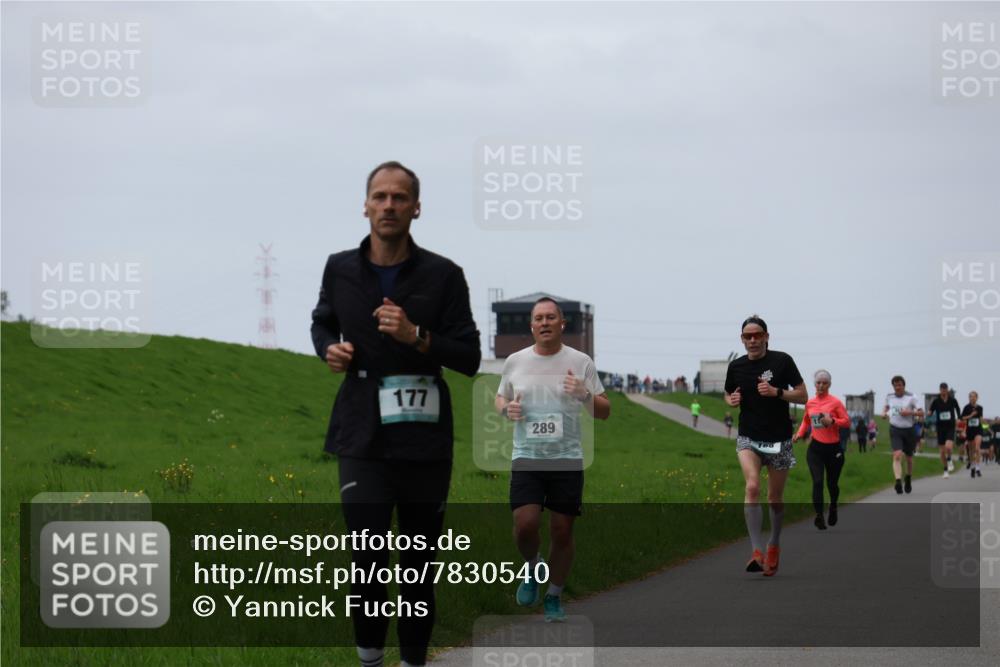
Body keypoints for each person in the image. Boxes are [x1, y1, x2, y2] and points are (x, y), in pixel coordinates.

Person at [310, 161, 481, 667]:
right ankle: (369, 659)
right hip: (361, 430)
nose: (389, 206)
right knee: (366, 559)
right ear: (365, 206)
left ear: (416, 208)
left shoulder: (444, 275)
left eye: (399, 198)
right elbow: (322, 321)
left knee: (416, 565)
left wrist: (416, 336)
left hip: (424, 436)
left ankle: (412, 661)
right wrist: (328, 349)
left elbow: (468, 357)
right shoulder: (339, 268)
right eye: (380, 197)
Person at [496, 297, 611, 623]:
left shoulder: (580, 361)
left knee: (562, 531)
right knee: (525, 525)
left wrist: (584, 395)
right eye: (538, 318)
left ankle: (554, 596)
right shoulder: (515, 362)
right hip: (527, 457)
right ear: (532, 326)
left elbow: (604, 411)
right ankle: (533, 567)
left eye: (551, 317)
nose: (544, 323)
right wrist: (507, 409)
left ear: (562, 324)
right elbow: (500, 397)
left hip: (566, 459)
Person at [724, 315, 807, 577]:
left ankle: (774, 544)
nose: (752, 340)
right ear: (742, 339)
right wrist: (731, 399)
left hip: (779, 439)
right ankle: (756, 551)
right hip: (749, 436)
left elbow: (804, 396)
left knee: (775, 498)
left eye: (757, 335)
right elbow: (728, 393)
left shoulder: (782, 361)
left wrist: (778, 393)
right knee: (751, 486)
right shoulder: (736, 366)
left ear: (766, 337)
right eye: (747, 336)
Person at [793, 370, 850, 530]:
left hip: (834, 449)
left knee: (832, 484)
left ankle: (833, 506)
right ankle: (819, 515)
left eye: (824, 383)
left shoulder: (836, 403)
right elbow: (806, 421)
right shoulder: (810, 403)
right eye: (818, 382)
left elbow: (846, 422)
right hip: (816, 449)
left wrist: (832, 421)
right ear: (814, 384)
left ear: (829, 384)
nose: (821, 385)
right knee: (817, 482)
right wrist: (799, 434)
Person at [882, 375, 924, 494]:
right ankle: (898, 481)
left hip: (909, 430)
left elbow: (921, 413)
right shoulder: (889, 396)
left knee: (909, 458)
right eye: (895, 385)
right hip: (895, 429)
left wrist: (909, 412)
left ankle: (908, 478)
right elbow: (886, 407)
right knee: (897, 455)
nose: (897, 387)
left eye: (900, 385)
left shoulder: (911, 397)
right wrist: (884, 413)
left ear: (904, 385)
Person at [928, 382, 961, 478]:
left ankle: (950, 459)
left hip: (950, 426)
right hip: (940, 427)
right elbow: (931, 411)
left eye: (945, 389)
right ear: (940, 390)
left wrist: (959, 418)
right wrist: (929, 413)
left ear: (947, 390)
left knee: (948, 447)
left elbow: (958, 409)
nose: (943, 391)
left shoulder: (952, 400)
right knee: (942, 452)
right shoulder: (936, 401)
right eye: (941, 389)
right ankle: (945, 470)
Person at [962, 391, 985, 478]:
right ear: (969, 398)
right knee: (971, 450)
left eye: (974, 397)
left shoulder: (980, 408)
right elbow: (962, 417)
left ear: (977, 398)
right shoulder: (966, 407)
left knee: (977, 448)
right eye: (971, 397)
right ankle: (972, 466)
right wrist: (970, 416)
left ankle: (978, 468)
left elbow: (981, 419)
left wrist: (986, 425)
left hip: (978, 430)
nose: (972, 398)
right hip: (970, 430)